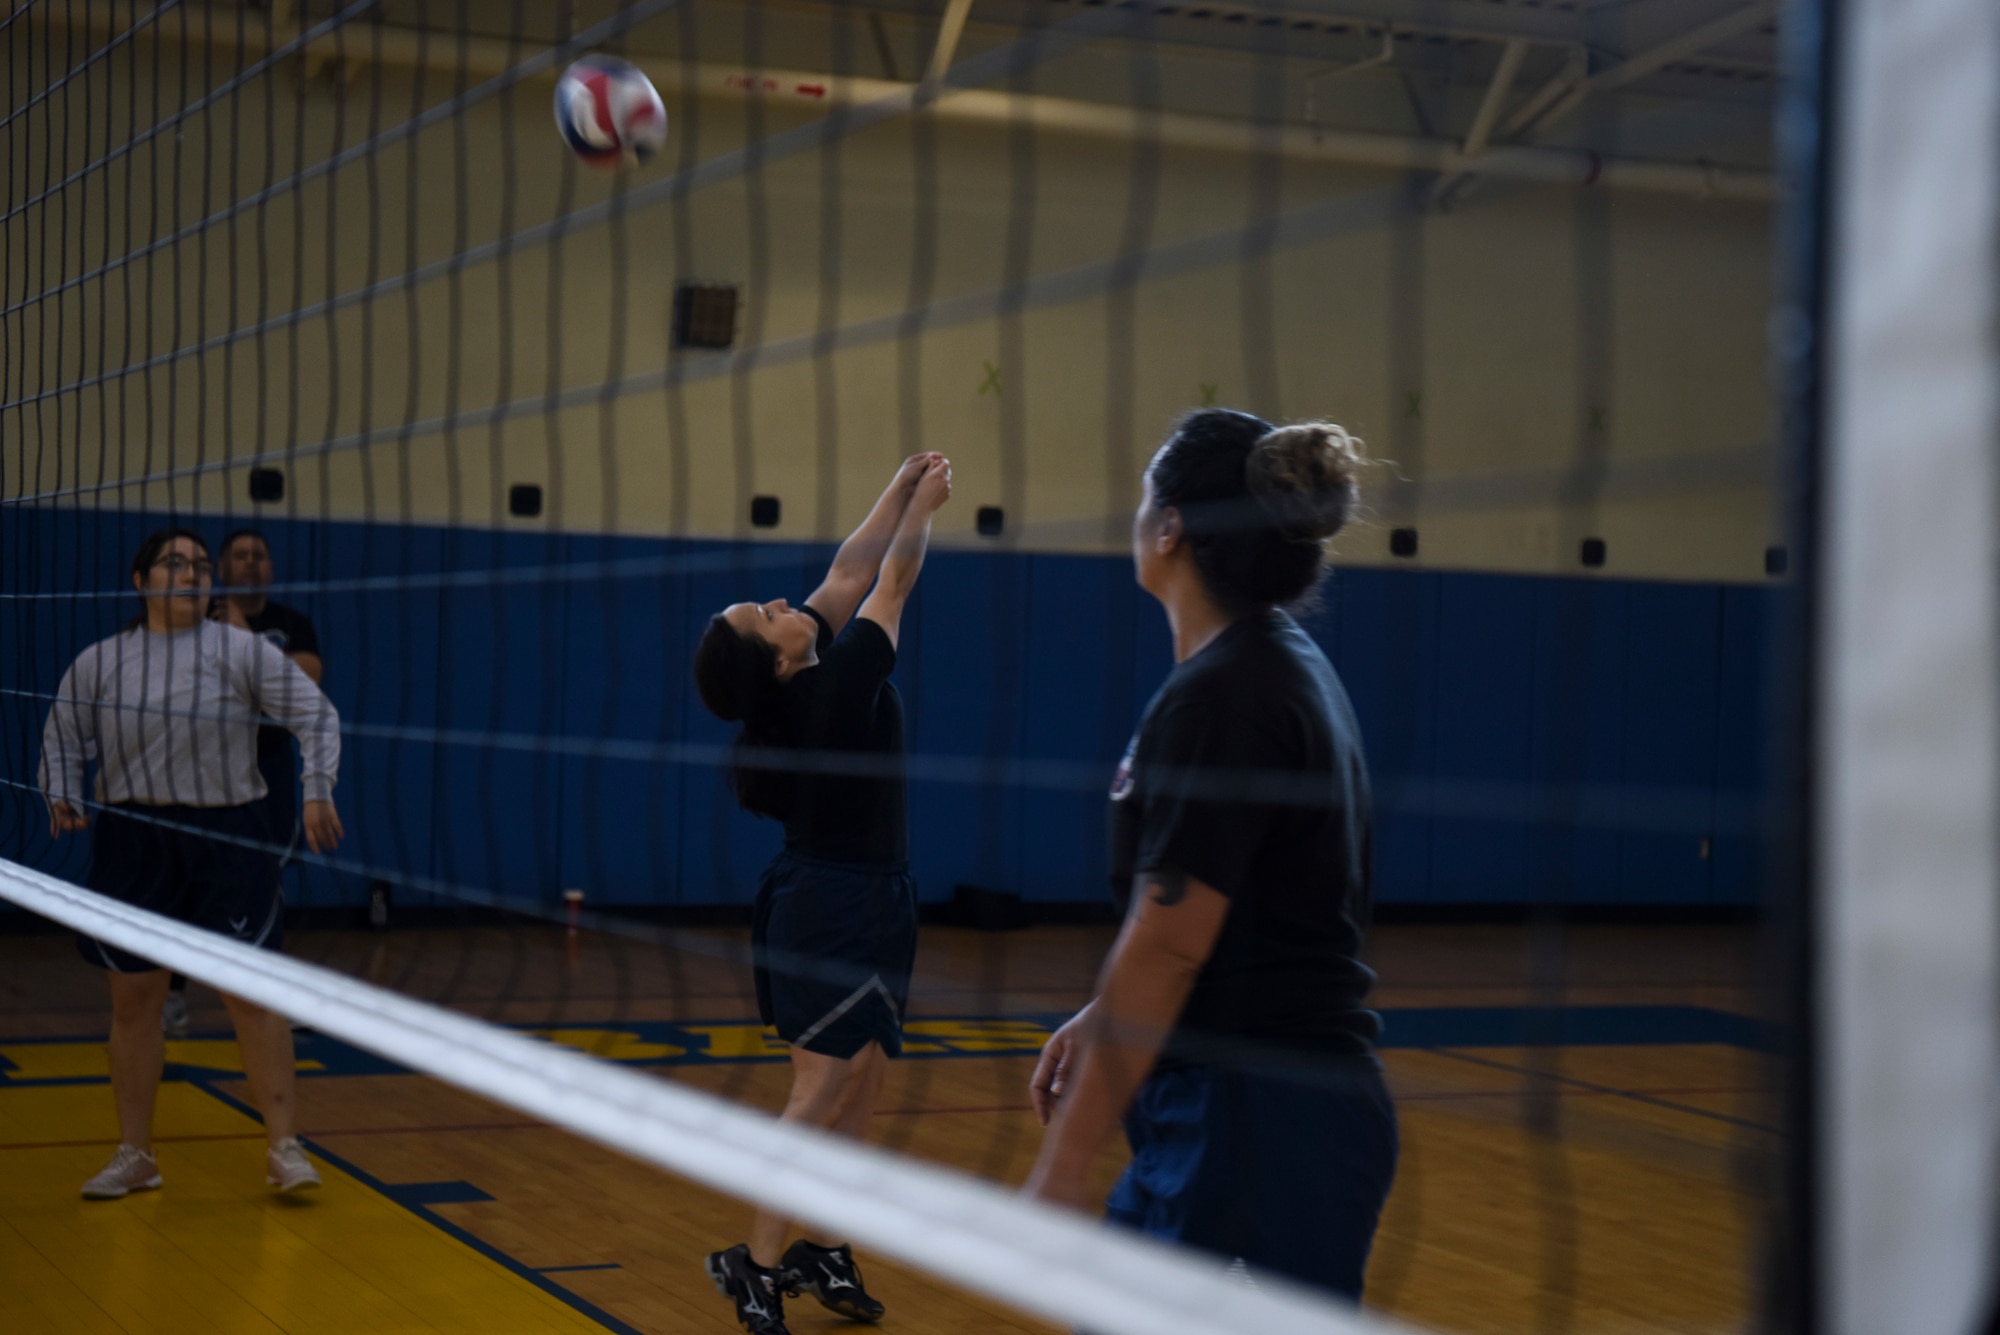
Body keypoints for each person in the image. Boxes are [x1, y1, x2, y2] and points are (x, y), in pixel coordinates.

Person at [1022, 409, 1397, 1302]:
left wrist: (1061, 1164)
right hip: (1240, 1112)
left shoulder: (1228, 696)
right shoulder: (1266, 668)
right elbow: (1223, 917)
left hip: (1259, 1127)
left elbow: (1171, 945)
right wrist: (1106, 1013)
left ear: (1171, 526)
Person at [691, 453, 952, 1335]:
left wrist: (898, 482)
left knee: (863, 1085)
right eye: (762, 616)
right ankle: (755, 1267)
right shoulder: (834, 691)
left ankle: (826, 1245)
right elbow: (893, 576)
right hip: (831, 904)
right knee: (817, 1094)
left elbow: (848, 569)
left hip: (878, 893)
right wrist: (926, 508)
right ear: (772, 660)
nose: (778, 604)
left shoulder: (807, 666)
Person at [39, 528, 346, 1199]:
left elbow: (317, 716)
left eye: (200, 566)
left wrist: (318, 789)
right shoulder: (102, 660)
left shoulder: (240, 651)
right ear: (140, 580)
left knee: (250, 994)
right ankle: (135, 1153)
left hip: (225, 835)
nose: (190, 575)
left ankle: (284, 1147)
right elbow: (64, 731)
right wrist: (60, 788)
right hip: (134, 837)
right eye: (173, 564)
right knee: (135, 999)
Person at [160, 527, 325, 1039]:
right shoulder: (193, 622)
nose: (251, 563)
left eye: (259, 556)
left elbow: (307, 681)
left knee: (266, 884)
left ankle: (268, 995)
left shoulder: (289, 624)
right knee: (185, 882)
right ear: (220, 569)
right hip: (201, 768)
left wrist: (243, 639)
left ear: (270, 568)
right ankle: (172, 997)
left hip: (267, 773)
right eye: (239, 556)